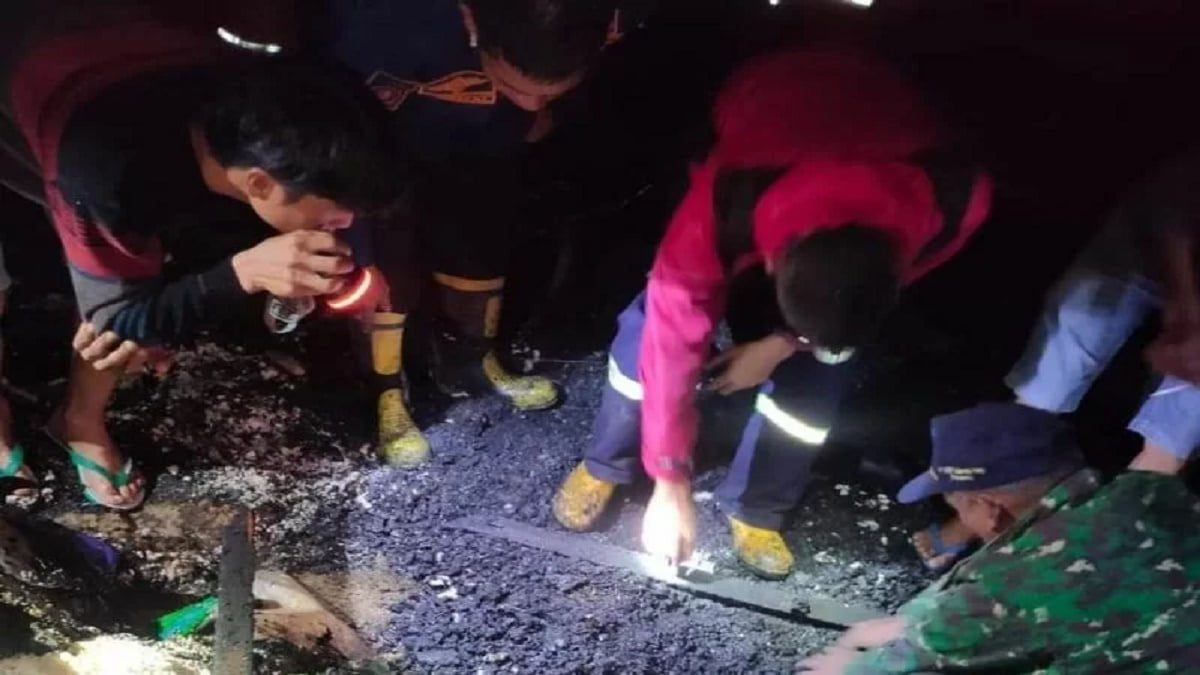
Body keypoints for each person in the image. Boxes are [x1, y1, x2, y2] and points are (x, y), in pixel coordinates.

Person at [552, 48, 993, 579]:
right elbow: (673, 333)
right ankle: (609, 461)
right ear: (768, 261)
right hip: (769, 108)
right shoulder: (726, 201)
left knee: (828, 365)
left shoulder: (957, 199)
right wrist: (670, 478)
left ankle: (758, 504)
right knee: (646, 341)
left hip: (882, 127)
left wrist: (786, 342)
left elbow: (866, 303)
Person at [1, 9, 401, 509]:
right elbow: (116, 324)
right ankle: (71, 422)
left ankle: (83, 402)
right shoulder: (108, 169)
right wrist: (244, 273)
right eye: (335, 218)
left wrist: (356, 263)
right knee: (108, 323)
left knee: (154, 282)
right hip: (37, 83)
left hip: (104, 43)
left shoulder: (269, 107)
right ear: (258, 184)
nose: (342, 227)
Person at [313, 0, 627, 467]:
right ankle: (387, 389)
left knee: (479, 239)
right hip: (380, 148)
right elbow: (332, 118)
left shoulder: (590, 22)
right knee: (387, 262)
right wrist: (356, 249)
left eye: (549, 94)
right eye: (515, 86)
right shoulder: (377, 25)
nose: (532, 104)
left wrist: (533, 116)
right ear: (471, 19)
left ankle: (470, 360)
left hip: (475, 146)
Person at [913, 150, 1200, 571]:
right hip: (1161, 235)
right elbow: (1171, 216)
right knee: (1055, 365)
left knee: (1174, 434)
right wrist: (1184, 311)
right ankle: (981, 510)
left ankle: (1071, 569)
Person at [801, 402, 1200, 673]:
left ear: (989, 508)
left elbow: (913, 657)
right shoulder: (1147, 490)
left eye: (958, 507)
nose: (961, 519)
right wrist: (912, 620)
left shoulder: (1011, 585)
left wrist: (846, 666)